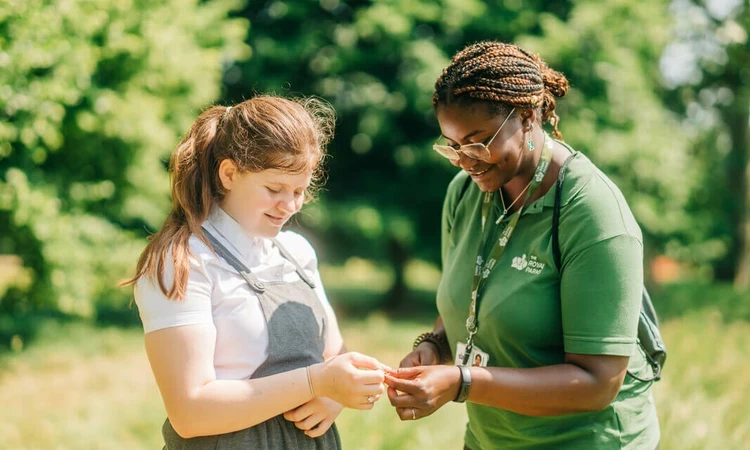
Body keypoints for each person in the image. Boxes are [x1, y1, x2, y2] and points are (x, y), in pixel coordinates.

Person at [384, 41, 660, 449]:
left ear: (527, 117)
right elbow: (469, 299)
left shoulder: (591, 212)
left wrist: (462, 383)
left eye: (477, 142)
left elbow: (598, 382)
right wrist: (434, 345)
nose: (465, 160)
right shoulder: (464, 193)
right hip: (490, 439)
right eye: (452, 146)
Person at [124, 95, 387, 449]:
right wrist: (317, 383)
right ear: (229, 173)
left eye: (299, 191)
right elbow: (189, 411)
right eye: (275, 189)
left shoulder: (297, 252)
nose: (290, 206)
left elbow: (332, 355)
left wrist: (335, 395)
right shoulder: (184, 262)